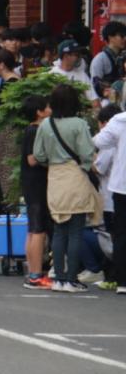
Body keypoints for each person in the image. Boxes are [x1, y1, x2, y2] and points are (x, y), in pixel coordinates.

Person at [33, 84, 102, 293]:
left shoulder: (46, 125)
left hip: (54, 178)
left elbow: (39, 155)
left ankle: (59, 278)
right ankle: (72, 279)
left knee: (59, 230)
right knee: (76, 231)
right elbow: (88, 153)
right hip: (75, 176)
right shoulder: (79, 124)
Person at [19, 95, 53, 289]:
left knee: (33, 230)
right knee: (38, 230)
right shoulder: (35, 131)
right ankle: (35, 274)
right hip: (37, 183)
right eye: (47, 107)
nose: (50, 109)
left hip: (32, 184)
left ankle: (33, 272)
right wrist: (52, 161)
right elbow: (32, 159)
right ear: (40, 112)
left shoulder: (31, 130)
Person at [93, 100, 126, 295]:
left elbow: (98, 141)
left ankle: (122, 280)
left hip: (122, 186)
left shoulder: (120, 121)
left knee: (121, 234)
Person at [51, 39, 100, 108]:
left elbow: (94, 101)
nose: (79, 58)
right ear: (66, 56)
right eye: (76, 55)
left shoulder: (82, 75)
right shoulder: (52, 74)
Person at [91, 21, 126, 102]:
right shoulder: (100, 59)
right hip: (107, 103)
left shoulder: (123, 56)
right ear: (110, 37)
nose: (125, 39)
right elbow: (96, 85)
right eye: (122, 36)